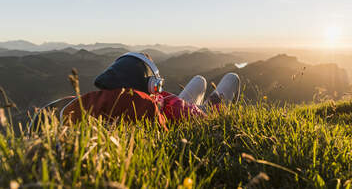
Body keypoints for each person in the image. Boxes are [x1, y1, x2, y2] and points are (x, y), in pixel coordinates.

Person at [61, 52, 240, 128]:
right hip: (188, 113)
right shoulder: (167, 107)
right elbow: (204, 119)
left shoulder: (113, 101)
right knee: (232, 78)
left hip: (171, 107)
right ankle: (230, 110)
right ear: (150, 85)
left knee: (200, 80)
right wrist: (215, 104)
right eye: (157, 84)